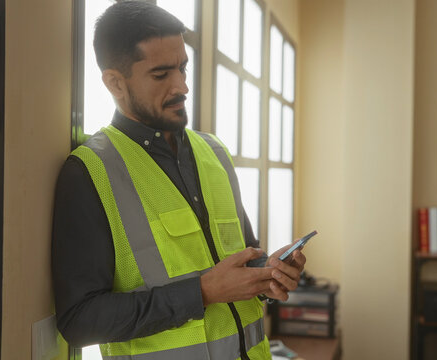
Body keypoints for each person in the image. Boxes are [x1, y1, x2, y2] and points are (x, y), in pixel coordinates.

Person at [51, 2, 306, 359]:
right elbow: (80, 320)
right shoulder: (90, 172)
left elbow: (241, 260)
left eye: (184, 68)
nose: (182, 85)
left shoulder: (214, 152)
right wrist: (201, 293)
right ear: (114, 82)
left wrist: (268, 274)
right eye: (161, 74)